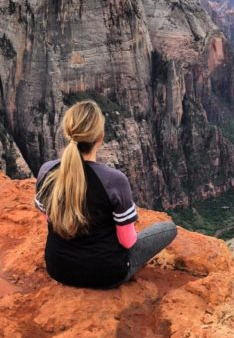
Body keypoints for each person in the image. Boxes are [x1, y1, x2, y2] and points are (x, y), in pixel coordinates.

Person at [34, 100, 177, 289]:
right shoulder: (114, 180)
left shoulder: (46, 171)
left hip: (58, 269)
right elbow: (128, 242)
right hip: (106, 274)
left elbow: (49, 219)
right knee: (168, 229)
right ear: (100, 137)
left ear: (68, 133)